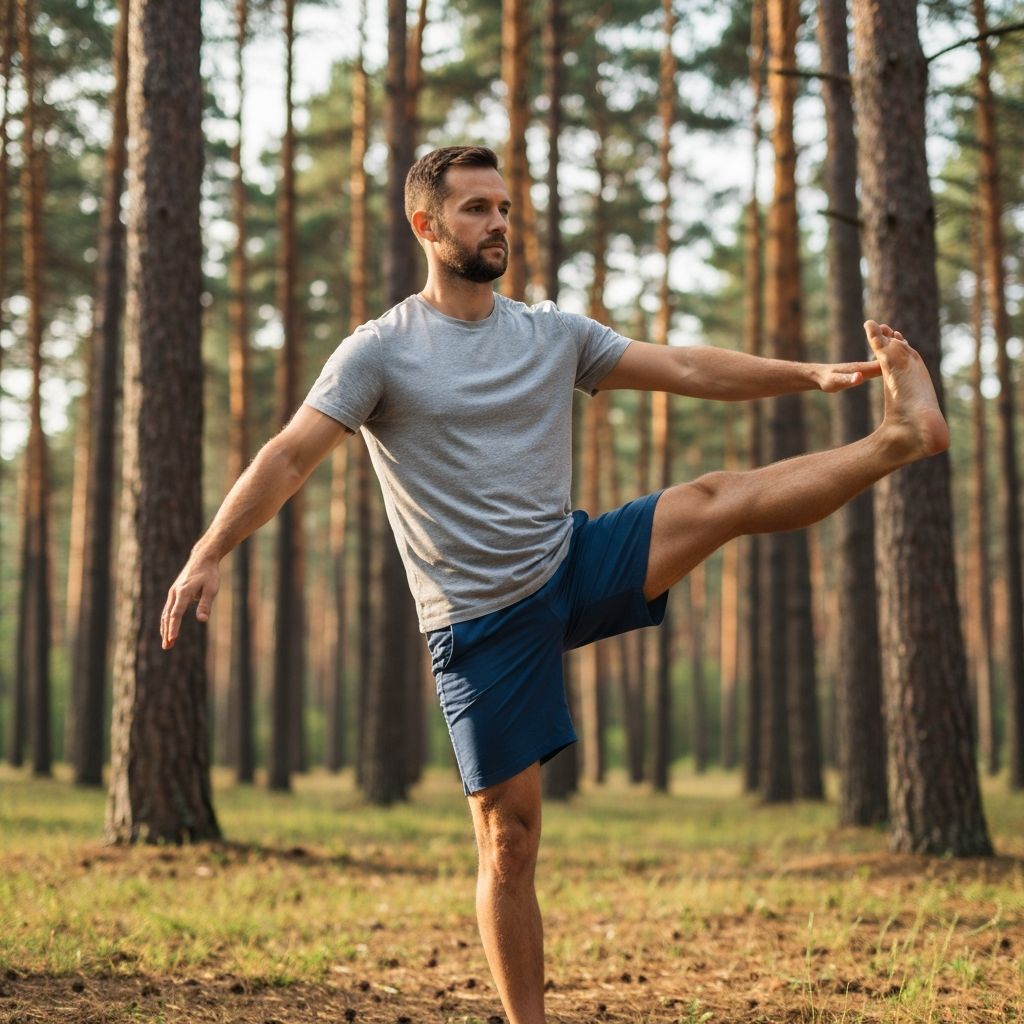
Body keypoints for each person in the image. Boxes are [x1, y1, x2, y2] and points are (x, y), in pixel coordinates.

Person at [161, 145, 949, 1024]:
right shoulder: (379, 352)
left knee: (716, 499)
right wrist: (209, 549)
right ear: (426, 225)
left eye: (502, 207)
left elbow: (684, 370)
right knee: (510, 841)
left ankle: (899, 439)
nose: (498, 223)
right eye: (475, 209)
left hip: (568, 561)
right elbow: (288, 455)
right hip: (478, 620)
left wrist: (808, 374)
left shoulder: (551, 333)